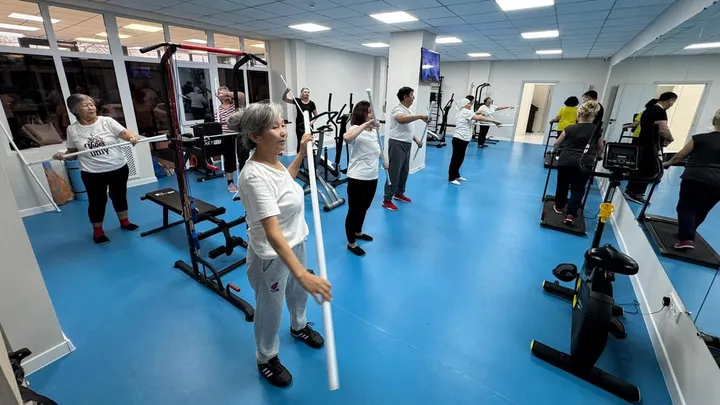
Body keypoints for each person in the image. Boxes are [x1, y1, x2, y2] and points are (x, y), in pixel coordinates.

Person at [230, 102, 332, 388]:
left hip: (296, 241)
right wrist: (302, 273)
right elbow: (272, 232)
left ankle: (299, 327)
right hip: (272, 256)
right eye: (275, 127)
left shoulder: (273, 161)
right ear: (255, 136)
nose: (283, 131)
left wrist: (301, 153)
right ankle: (266, 357)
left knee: (298, 295)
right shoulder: (253, 176)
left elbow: (285, 182)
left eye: (283, 124)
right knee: (270, 310)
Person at [52, 94, 140, 245]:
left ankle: (125, 222)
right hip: (92, 172)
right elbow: (73, 152)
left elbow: (125, 133)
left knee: (119, 196)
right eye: (85, 105)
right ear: (75, 110)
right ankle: (98, 232)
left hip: (117, 167)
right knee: (97, 201)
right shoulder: (72, 129)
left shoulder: (107, 121)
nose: (91, 107)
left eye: (92, 104)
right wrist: (63, 156)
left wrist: (131, 137)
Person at [663, 109, 720, 250]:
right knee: (703, 209)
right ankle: (687, 232)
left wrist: (667, 163)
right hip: (718, 183)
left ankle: (686, 239)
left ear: (714, 121)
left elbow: (680, 156)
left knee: (687, 207)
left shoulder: (699, 138)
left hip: (696, 177)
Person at [343, 101, 388, 256]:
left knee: (364, 207)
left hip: (372, 176)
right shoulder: (355, 129)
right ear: (362, 113)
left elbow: (378, 149)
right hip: (357, 177)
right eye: (369, 111)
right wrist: (366, 125)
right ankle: (351, 243)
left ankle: (358, 232)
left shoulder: (374, 132)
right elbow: (347, 138)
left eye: (372, 111)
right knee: (354, 210)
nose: (372, 114)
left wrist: (385, 159)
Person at [551, 100, 604, 225]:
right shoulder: (597, 130)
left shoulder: (569, 128)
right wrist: (599, 156)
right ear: (593, 116)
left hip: (566, 161)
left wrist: (554, 151)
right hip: (585, 163)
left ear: (578, 114)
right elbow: (600, 147)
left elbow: (557, 143)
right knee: (578, 188)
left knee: (562, 185)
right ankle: (571, 214)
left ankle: (559, 207)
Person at [624, 92, 678, 204]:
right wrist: (670, 138)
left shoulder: (649, 110)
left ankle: (631, 190)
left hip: (644, 142)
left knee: (640, 167)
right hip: (650, 145)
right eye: (673, 102)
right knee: (648, 168)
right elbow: (663, 129)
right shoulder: (659, 111)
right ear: (670, 100)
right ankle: (636, 193)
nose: (672, 105)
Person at [382, 86, 429, 211]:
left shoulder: (408, 111)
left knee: (404, 171)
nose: (413, 97)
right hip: (397, 144)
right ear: (405, 97)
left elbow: (408, 130)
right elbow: (401, 120)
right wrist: (420, 116)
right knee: (394, 172)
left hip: (407, 144)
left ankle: (399, 193)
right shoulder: (397, 109)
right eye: (412, 95)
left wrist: (416, 140)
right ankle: (387, 200)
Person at [449, 98, 501, 185]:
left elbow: (474, 116)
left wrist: (479, 113)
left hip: (463, 139)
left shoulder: (464, 111)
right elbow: (478, 118)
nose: (471, 105)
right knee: (456, 159)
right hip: (459, 138)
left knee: (460, 158)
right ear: (464, 105)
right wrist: (494, 121)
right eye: (469, 104)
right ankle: (451, 177)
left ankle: (456, 175)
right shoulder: (465, 111)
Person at [215, 86, 246, 193]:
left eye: (227, 91)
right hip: (226, 136)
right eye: (221, 92)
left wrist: (226, 93)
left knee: (243, 159)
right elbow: (218, 125)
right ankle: (230, 183)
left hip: (239, 135)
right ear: (219, 97)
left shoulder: (236, 105)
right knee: (229, 159)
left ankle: (244, 182)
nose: (225, 93)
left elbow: (242, 95)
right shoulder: (218, 110)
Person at [282, 87, 317, 153]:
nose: (307, 93)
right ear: (301, 93)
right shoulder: (297, 101)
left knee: (309, 141)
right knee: (300, 141)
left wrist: (312, 122)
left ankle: (310, 156)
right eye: (305, 92)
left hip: (308, 125)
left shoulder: (312, 103)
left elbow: (316, 115)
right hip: (300, 125)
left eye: (308, 92)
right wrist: (286, 92)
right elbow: (284, 99)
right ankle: (300, 157)